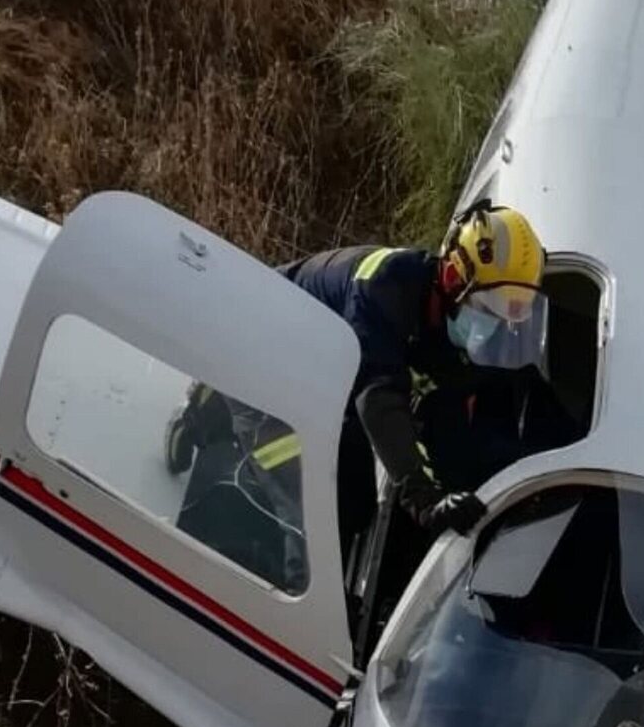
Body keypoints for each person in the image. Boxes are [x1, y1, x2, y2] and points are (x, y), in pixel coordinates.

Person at [166, 198, 554, 567]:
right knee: (310, 512)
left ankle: (211, 408)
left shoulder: (447, 319)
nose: (493, 325)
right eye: (488, 310)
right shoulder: (383, 286)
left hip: (326, 379)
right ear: (453, 276)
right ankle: (207, 407)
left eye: (507, 318)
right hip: (260, 353)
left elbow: (447, 405)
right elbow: (379, 399)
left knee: (354, 502)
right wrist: (424, 498)